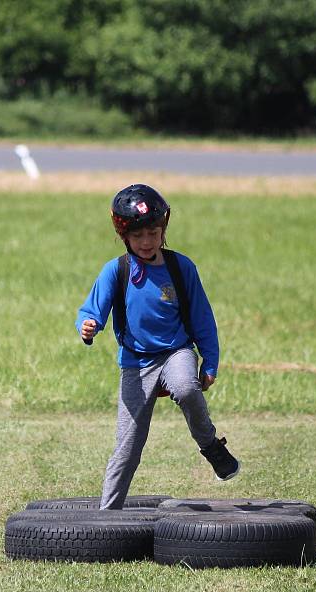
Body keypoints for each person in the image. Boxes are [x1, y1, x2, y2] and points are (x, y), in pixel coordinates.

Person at [76, 183, 240, 510]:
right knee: (127, 445)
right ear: (124, 236)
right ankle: (107, 515)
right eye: (138, 236)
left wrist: (210, 362)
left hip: (175, 352)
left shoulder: (181, 268)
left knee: (186, 387)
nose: (147, 242)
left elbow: (203, 319)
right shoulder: (116, 271)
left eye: (153, 232)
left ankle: (209, 445)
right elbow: (91, 311)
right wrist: (88, 326)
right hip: (136, 363)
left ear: (163, 229)